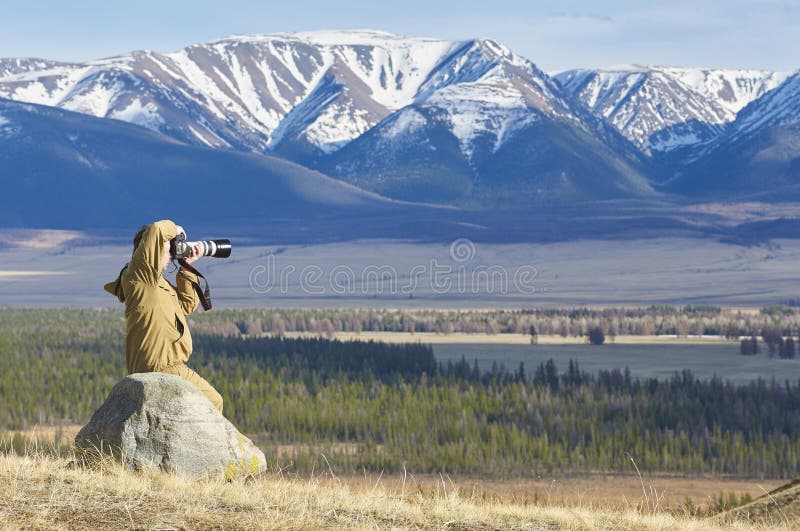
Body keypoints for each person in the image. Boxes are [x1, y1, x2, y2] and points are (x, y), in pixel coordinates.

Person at [104, 220, 224, 412]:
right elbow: (156, 230)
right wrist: (175, 228)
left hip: (164, 366)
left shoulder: (156, 284)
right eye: (169, 248)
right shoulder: (140, 276)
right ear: (149, 249)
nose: (171, 255)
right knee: (213, 402)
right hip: (162, 367)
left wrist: (186, 268)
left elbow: (186, 305)